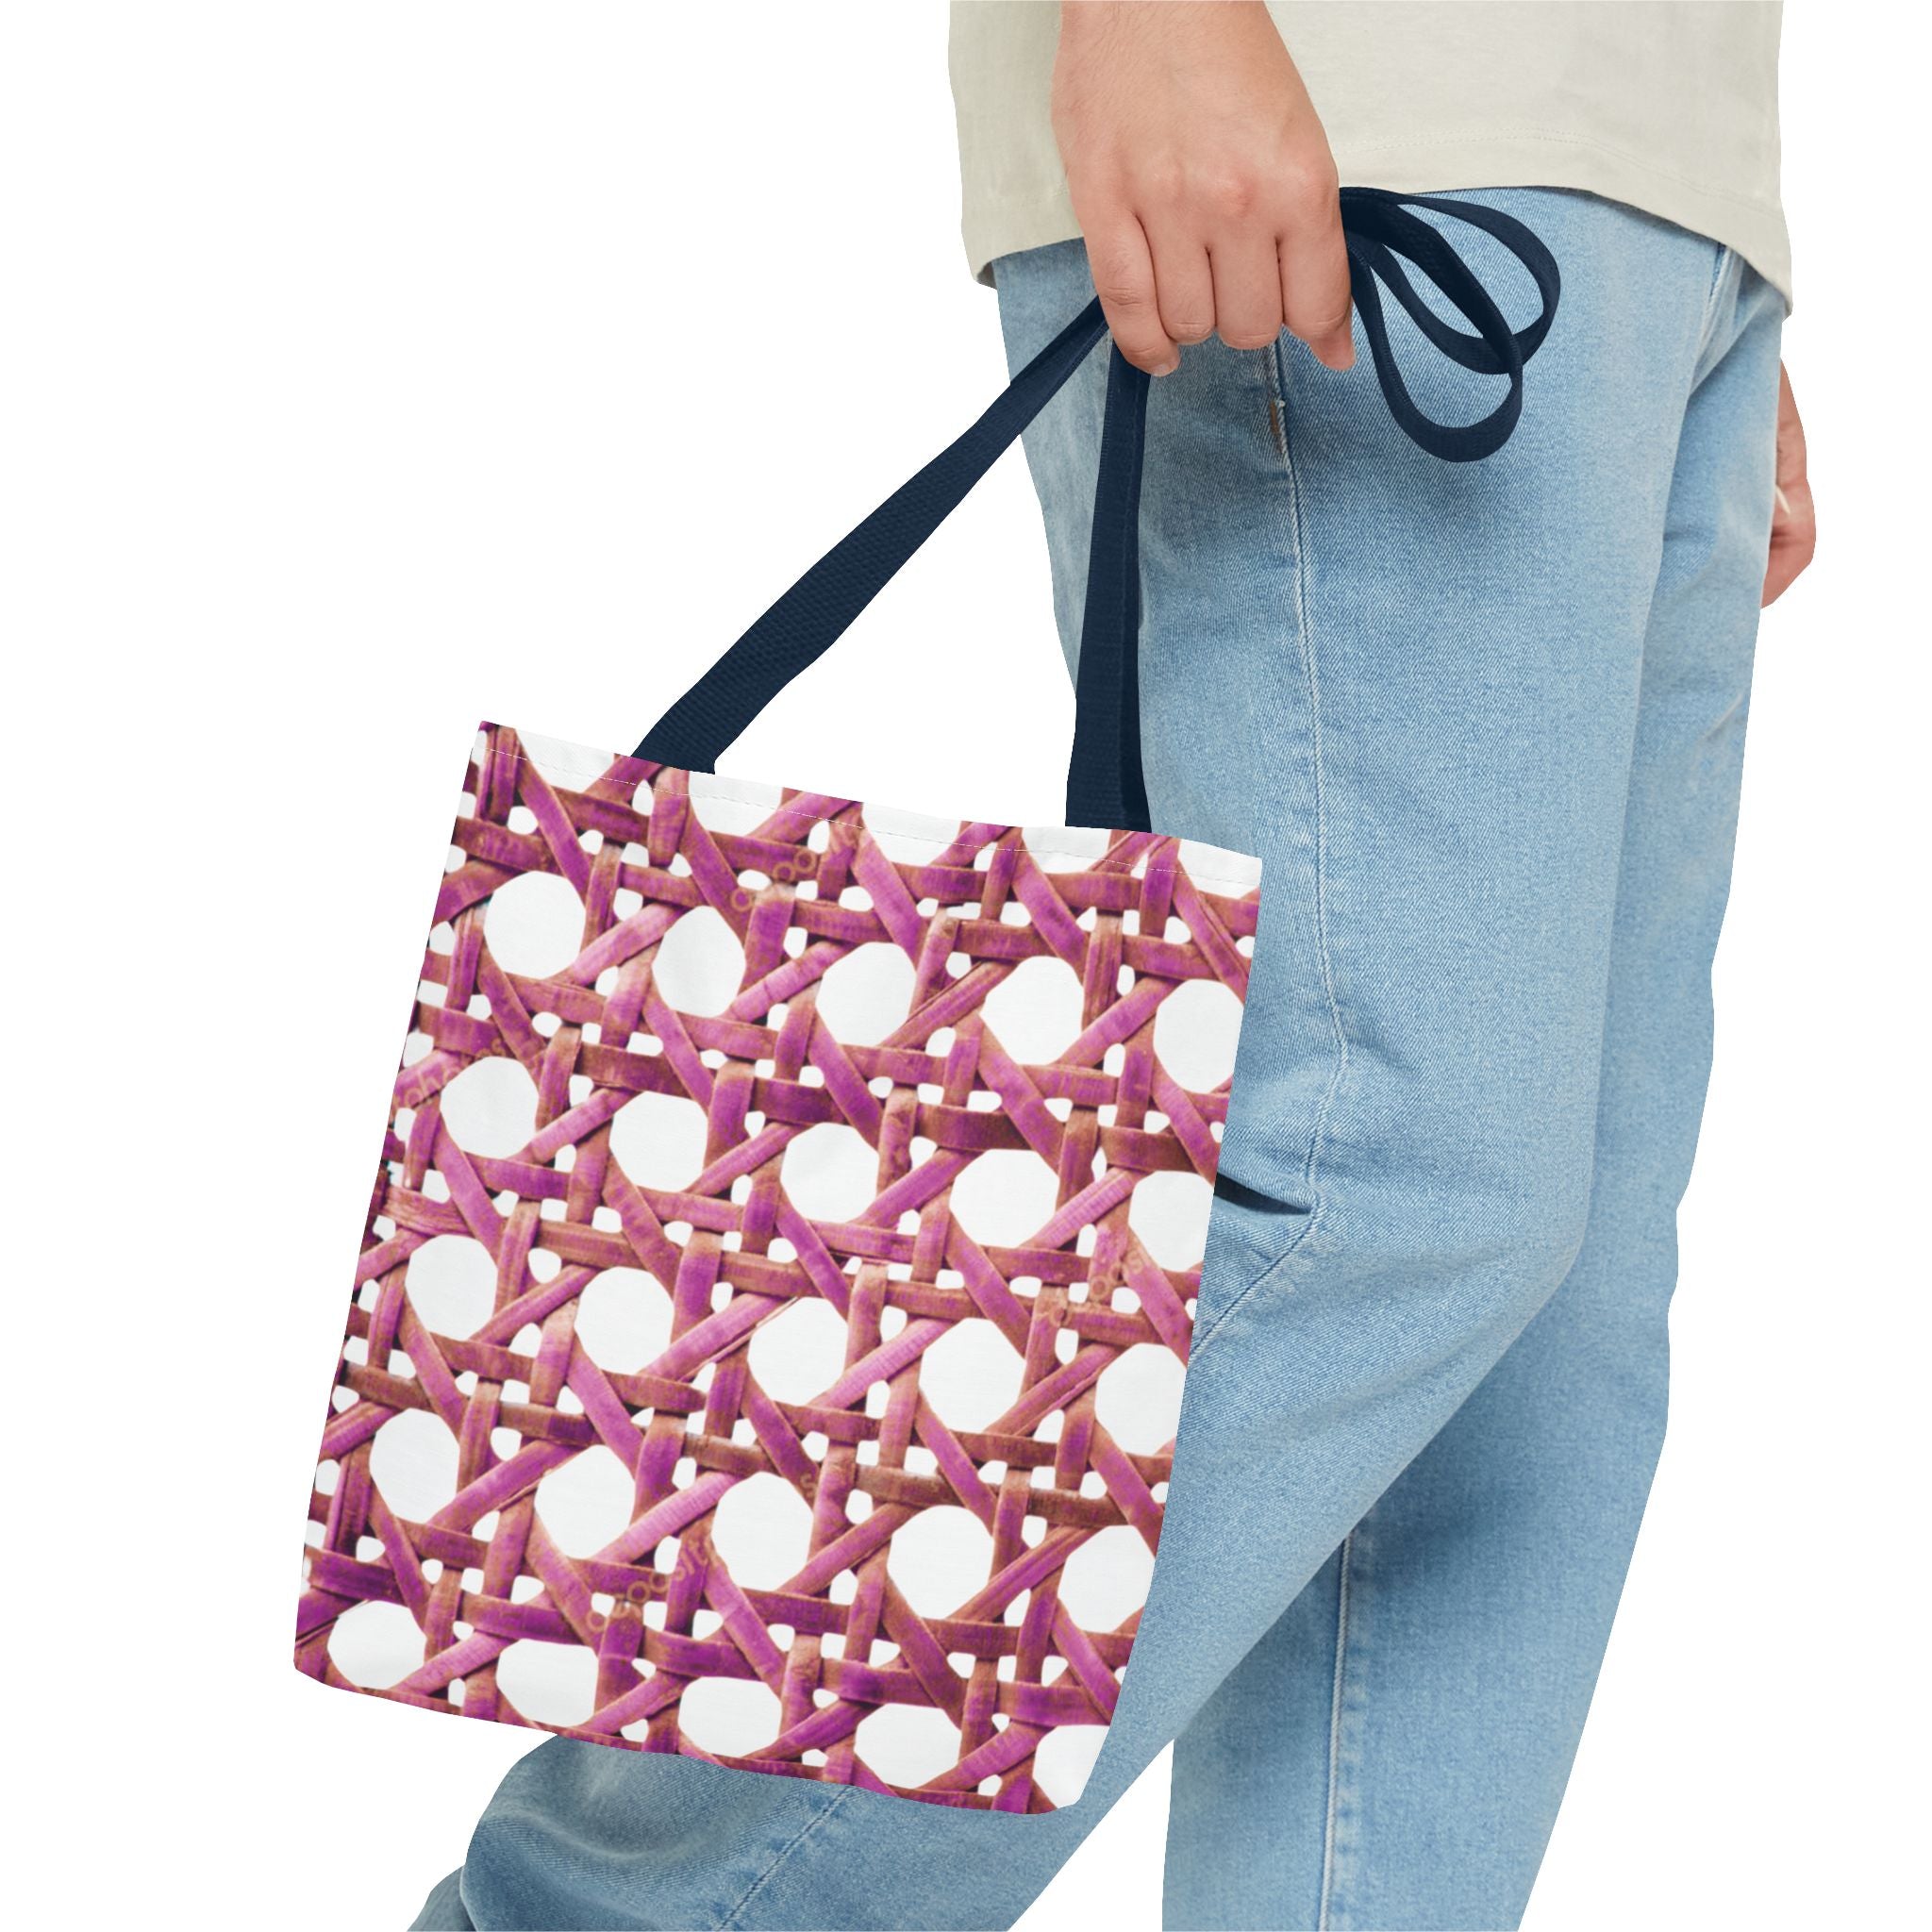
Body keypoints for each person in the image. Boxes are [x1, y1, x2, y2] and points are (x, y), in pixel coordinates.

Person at [415, 5, 1814, 1926]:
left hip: (1640, 187)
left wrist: (1696, 235)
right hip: (1363, 111)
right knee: (1380, 1184)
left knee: (1531, 1354)